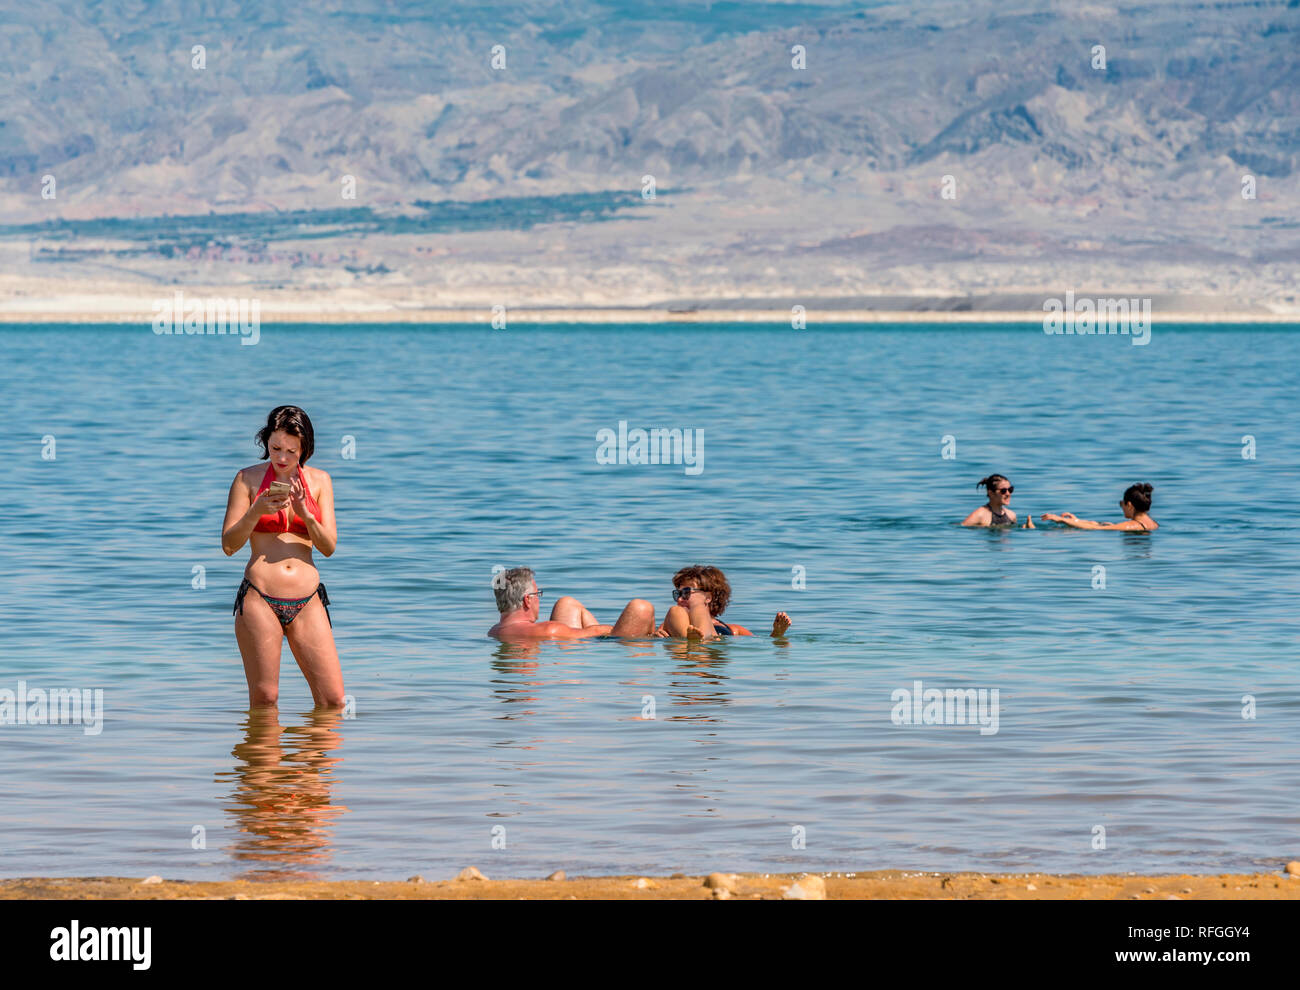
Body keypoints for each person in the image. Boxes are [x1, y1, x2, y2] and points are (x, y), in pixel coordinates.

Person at [222, 406, 344, 709]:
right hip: (260, 597)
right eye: (275, 448)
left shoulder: (320, 482)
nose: (282, 458)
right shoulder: (246, 480)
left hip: (308, 600)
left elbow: (328, 547)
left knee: (334, 701)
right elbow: (228, 544)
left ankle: (313, 756)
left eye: (292, 450)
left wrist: (307, 516)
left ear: (305, 449)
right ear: (266, 442)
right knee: (266, 698)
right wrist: (256, 512)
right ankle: (264, 756)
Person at [489, 567, 656, 640]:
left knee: (566, 603)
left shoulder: (494, 632)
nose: (539, 599)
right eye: (538, 594)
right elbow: (597, 632)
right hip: (606, 649)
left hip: (569, 660)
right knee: (641, 608)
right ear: (528, 599)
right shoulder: (549, 630)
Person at [655, 565, 792, 640]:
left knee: (697, 609)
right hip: (692, 658)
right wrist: (655, 637)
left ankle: (699, 641)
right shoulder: (670, 621)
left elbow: (761, 645)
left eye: (686, 593)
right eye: (677, 594)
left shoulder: (733, 629)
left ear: (708, 597)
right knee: (676, 611)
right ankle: (693, 642)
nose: (679, 599)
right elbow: (653, 638)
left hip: (712, 656)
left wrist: (777, 633)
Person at [1041, 483, 1158, 531]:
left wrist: (1062, 519)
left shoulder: (1131, 525)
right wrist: (1076, 520)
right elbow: (1104, 525)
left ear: (1129, 505)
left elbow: (1098, 529)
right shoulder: (1152, 523)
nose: (1121, 506)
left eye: (1121, 503)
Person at [962, 474, 1032, 527]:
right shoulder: (980, 515)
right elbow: (961, 529)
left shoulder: (1011, 516)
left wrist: (1027, 529)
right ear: (991, 493)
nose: (1008, 494)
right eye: (1003, 491)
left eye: (1010, 490)